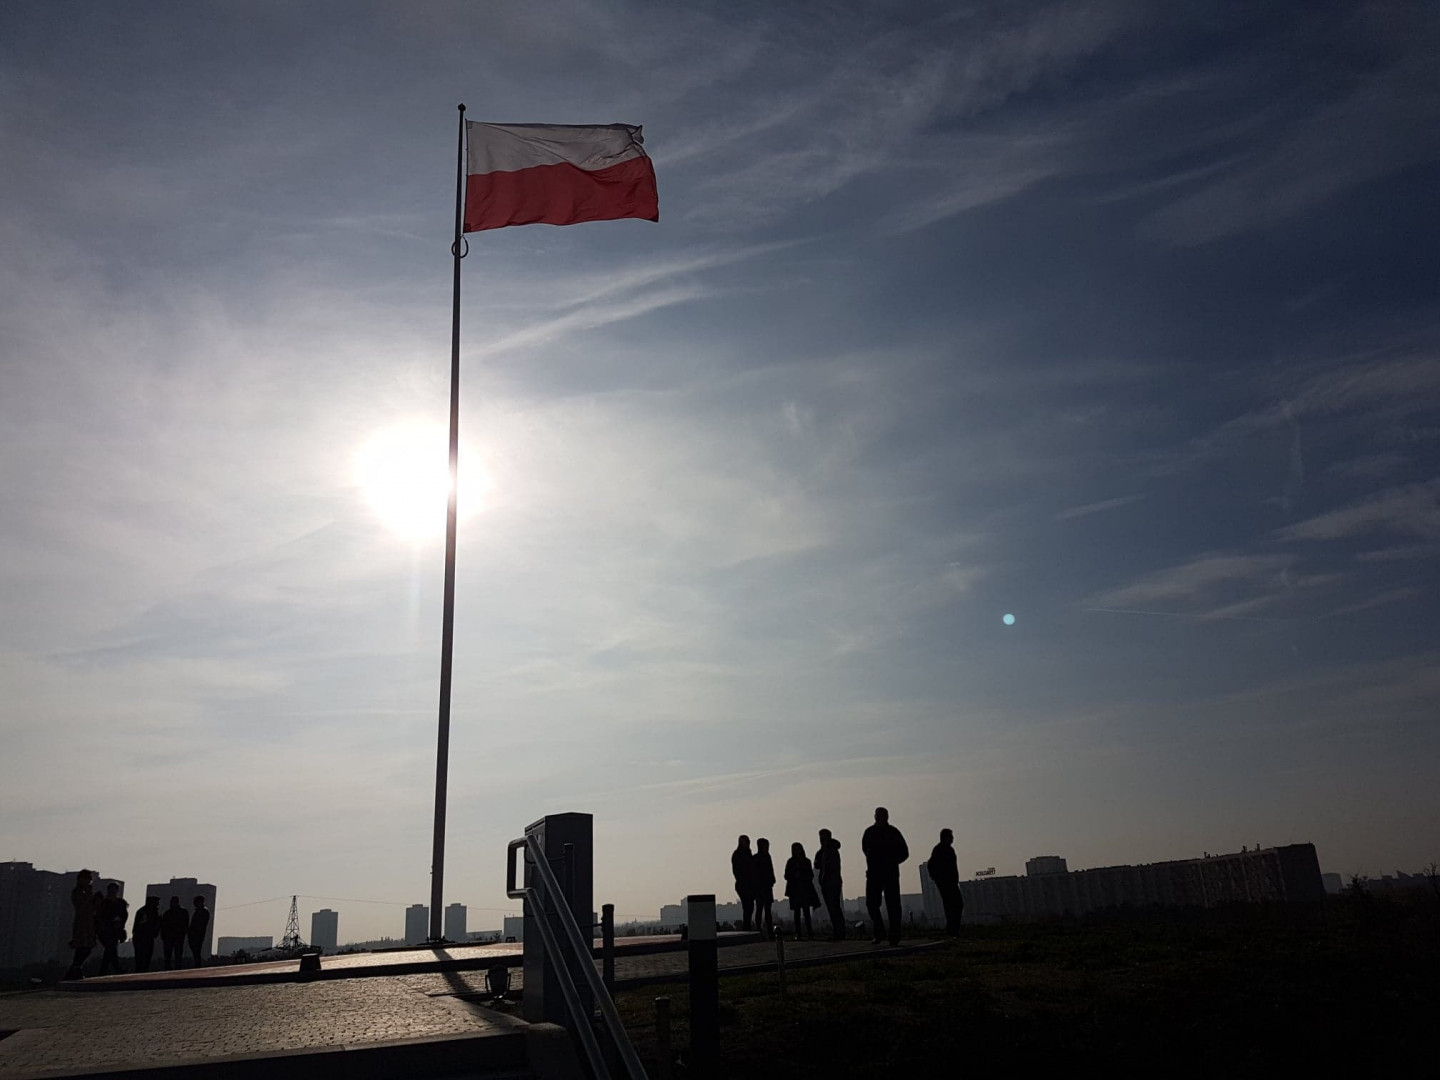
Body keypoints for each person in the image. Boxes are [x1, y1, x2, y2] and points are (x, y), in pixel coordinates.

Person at [861, 806, 909, 946]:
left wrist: (892, 861)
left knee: (893, 905)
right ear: (875, 816)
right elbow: (865, 850)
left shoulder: (893, 832)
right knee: (871, 904)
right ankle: (880, 932)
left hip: (890, 874)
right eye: (879, 815)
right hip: (874, 873)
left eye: (883, 815)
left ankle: (894, 936)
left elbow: (904, 852)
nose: (881, 818)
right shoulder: (869, 832)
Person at [63, 870, 99, 980]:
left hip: (89, 922)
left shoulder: (87, 891)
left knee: (87, 947)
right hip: (82, 922)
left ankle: (75, 969)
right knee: (82, 946)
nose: (89, 881)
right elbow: (82, 905)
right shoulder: (78, 891)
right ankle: (75, 969)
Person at [927, 828, 964, 936]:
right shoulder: (939, 850)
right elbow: (931, 865)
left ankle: (953, 930)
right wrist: (938, 879)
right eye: (950, 836)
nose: (952, 839)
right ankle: (952, 930)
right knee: (953, 905)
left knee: (955, 905)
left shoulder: (948, 849)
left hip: (951, 882)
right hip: (946, 883)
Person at [784, 842, 821, 939]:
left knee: (806, 913)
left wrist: (802, 876)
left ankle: (809, 932)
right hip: (795, 891)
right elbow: (786, 875)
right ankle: (798, 933)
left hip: (805, 890)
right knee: (797, 913)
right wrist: (794, 876)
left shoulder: (806, 861)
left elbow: (810, 875)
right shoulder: (791, 862)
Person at [815, 828, 845, 940]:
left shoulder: (831, 850)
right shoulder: (823, 851)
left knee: (834, 908)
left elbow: (830, 867)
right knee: (832, 908)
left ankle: (839, 932)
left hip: (832, 882)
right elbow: (817, 864)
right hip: (827, 883)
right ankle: (837, 931)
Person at [96, 882, 129, 975]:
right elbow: (101, 917)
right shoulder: (104, 903)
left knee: (110, 950)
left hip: (115, 930)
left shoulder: (120, 903)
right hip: (106, 930)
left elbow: (124, 916)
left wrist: (121, 927)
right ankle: (115, 969)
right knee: (111, 949)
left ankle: (106, 970)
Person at [731, 835, 757, 932]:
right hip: (743, 884)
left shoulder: (747, 853)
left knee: (749, 907)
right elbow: (737, 870)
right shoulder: (739, 854)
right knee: (747, 907)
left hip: (748, 884)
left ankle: (747, 927)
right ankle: (747, 928)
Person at [752, 837, 776, 940]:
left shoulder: (764, 857)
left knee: (764, 910)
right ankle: (762, 931)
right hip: (762, 887)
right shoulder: (759, 858)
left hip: (764, 887)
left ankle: (764, 932)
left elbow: (770, 870)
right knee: (762, 910)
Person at [132, 896, 162, 973]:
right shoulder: (146, 912)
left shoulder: (148, 912)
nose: (157, 905)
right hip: (143, 938)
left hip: (146, 937)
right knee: (142, 958)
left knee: (144, 958)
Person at [160, 896, 189, 970]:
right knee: (175, 956)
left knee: (171, 956)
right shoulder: (182, 912)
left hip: (173, 938)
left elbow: (163, 926)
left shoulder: (168, 913)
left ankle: (171, 969)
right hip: (175, 938)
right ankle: (175, 969)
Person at [188, 895, 211, 967]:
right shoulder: (200, 911)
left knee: (197, 951)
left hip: (197, 935)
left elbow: (200, 925)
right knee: (195, 951)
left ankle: (198, 965)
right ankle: (197, 964)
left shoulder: (203, 911)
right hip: (195, 935)